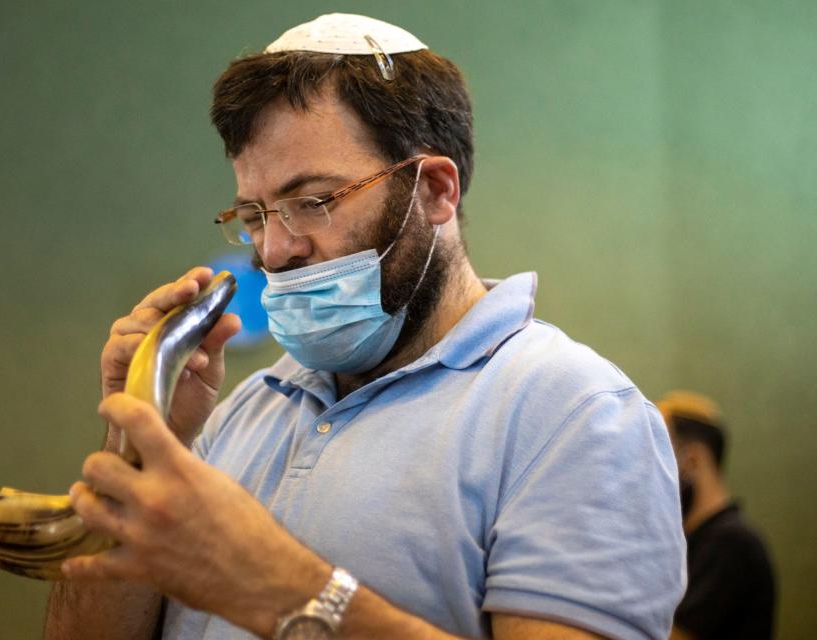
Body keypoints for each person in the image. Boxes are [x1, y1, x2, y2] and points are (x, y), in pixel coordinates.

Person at [45, 13, 685, 640]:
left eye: (313, 201)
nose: (273, 251)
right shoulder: (245, 410)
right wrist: (145, 431)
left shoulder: (576, 414)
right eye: (255, 213)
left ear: (434, 190)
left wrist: (279, 588)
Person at [658, 391, 776, 640]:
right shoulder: (694, 544)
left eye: (661, 459)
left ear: (692, 460)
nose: (654, 475)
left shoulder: (731, 544)